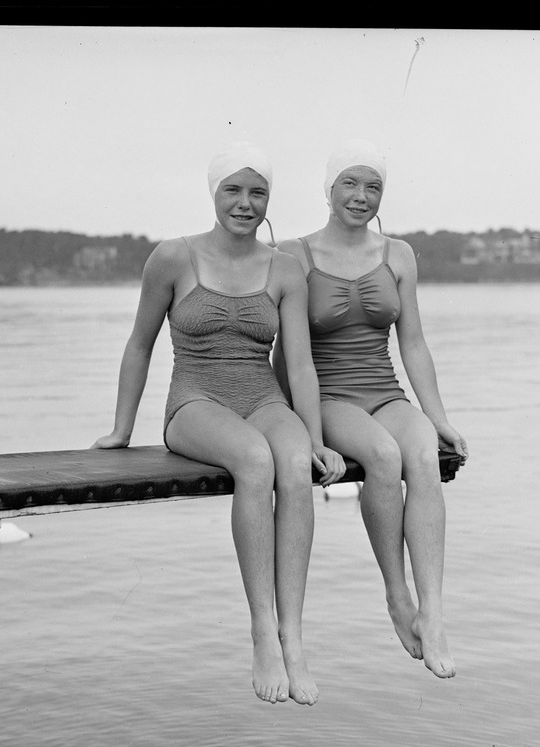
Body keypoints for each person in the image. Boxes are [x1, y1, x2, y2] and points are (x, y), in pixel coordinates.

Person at [92, 142, 346, 705]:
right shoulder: (173, 258)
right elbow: (139, 345)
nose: (245, 203)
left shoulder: (284, 268)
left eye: (258, 193)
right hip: (195, 401)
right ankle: (262, 630)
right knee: (256, 459)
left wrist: (318, 440)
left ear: (268, 201)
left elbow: (299, 364)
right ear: (214, 193)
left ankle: (294, 637)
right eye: (233, 189)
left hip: (261, 395)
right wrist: (121, 429)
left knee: (294, 462)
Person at [274, 139, 469, 679]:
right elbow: (284, 355)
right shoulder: (294, 254)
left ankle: (433, 612)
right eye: (350, 184)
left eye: (373, 186)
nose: (361, 196)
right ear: (329, 190)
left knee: (424, 453)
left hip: (384, 391)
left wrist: (438, 415)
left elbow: (413, 344)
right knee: (383, 457)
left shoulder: (399, 254)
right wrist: (302, 430)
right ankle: (396, 595)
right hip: (327, 395)